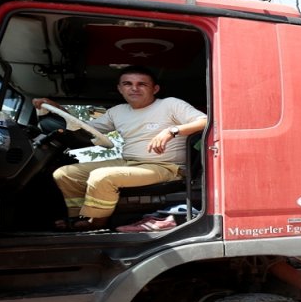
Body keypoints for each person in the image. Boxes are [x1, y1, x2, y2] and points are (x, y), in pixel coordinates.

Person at [32, 66, 207, 231]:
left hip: (166, 167)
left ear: (155, 89)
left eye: (142, 84)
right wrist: (56, 107)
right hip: (129, 162)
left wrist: (172, 130)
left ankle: (96, 223)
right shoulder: (117, 112)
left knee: (102, 177)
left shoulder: (170, 104)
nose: (134, 88)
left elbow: (205, 121)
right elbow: (82, 128)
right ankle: (79, 218)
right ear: (120, 89)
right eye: (128, 84)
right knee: (65, 173)